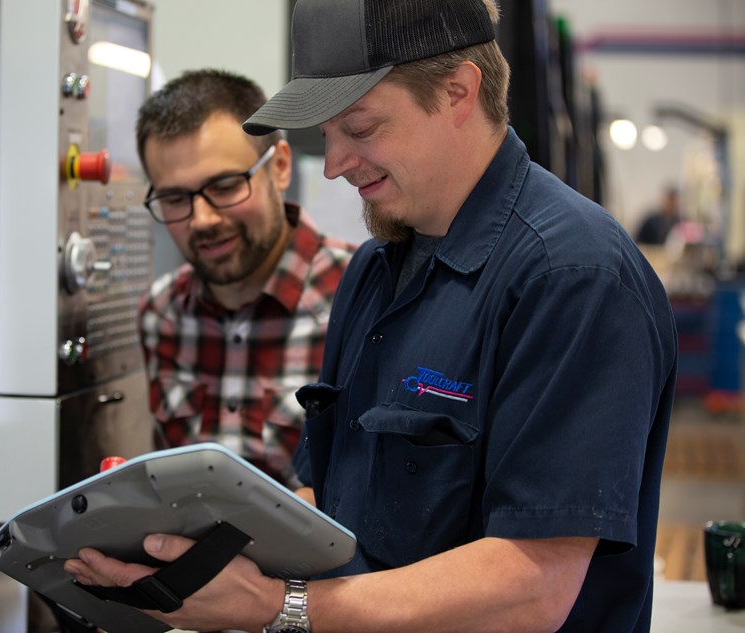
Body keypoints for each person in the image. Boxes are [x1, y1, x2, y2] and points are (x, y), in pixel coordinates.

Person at [65, 2, 677, 632]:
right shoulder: (375, 270)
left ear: (457, 92)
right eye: (326, 134)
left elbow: (533, 585)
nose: (333, 164)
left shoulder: (572, 278)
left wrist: (277, 608)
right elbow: (331, 505)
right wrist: (190, 560)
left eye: (358, 129)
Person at [134, 69, 356, 488]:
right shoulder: (159, 313)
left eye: (224, 186)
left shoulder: (362, 296)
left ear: (281, 168)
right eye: (175, 198)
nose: (202, 220)